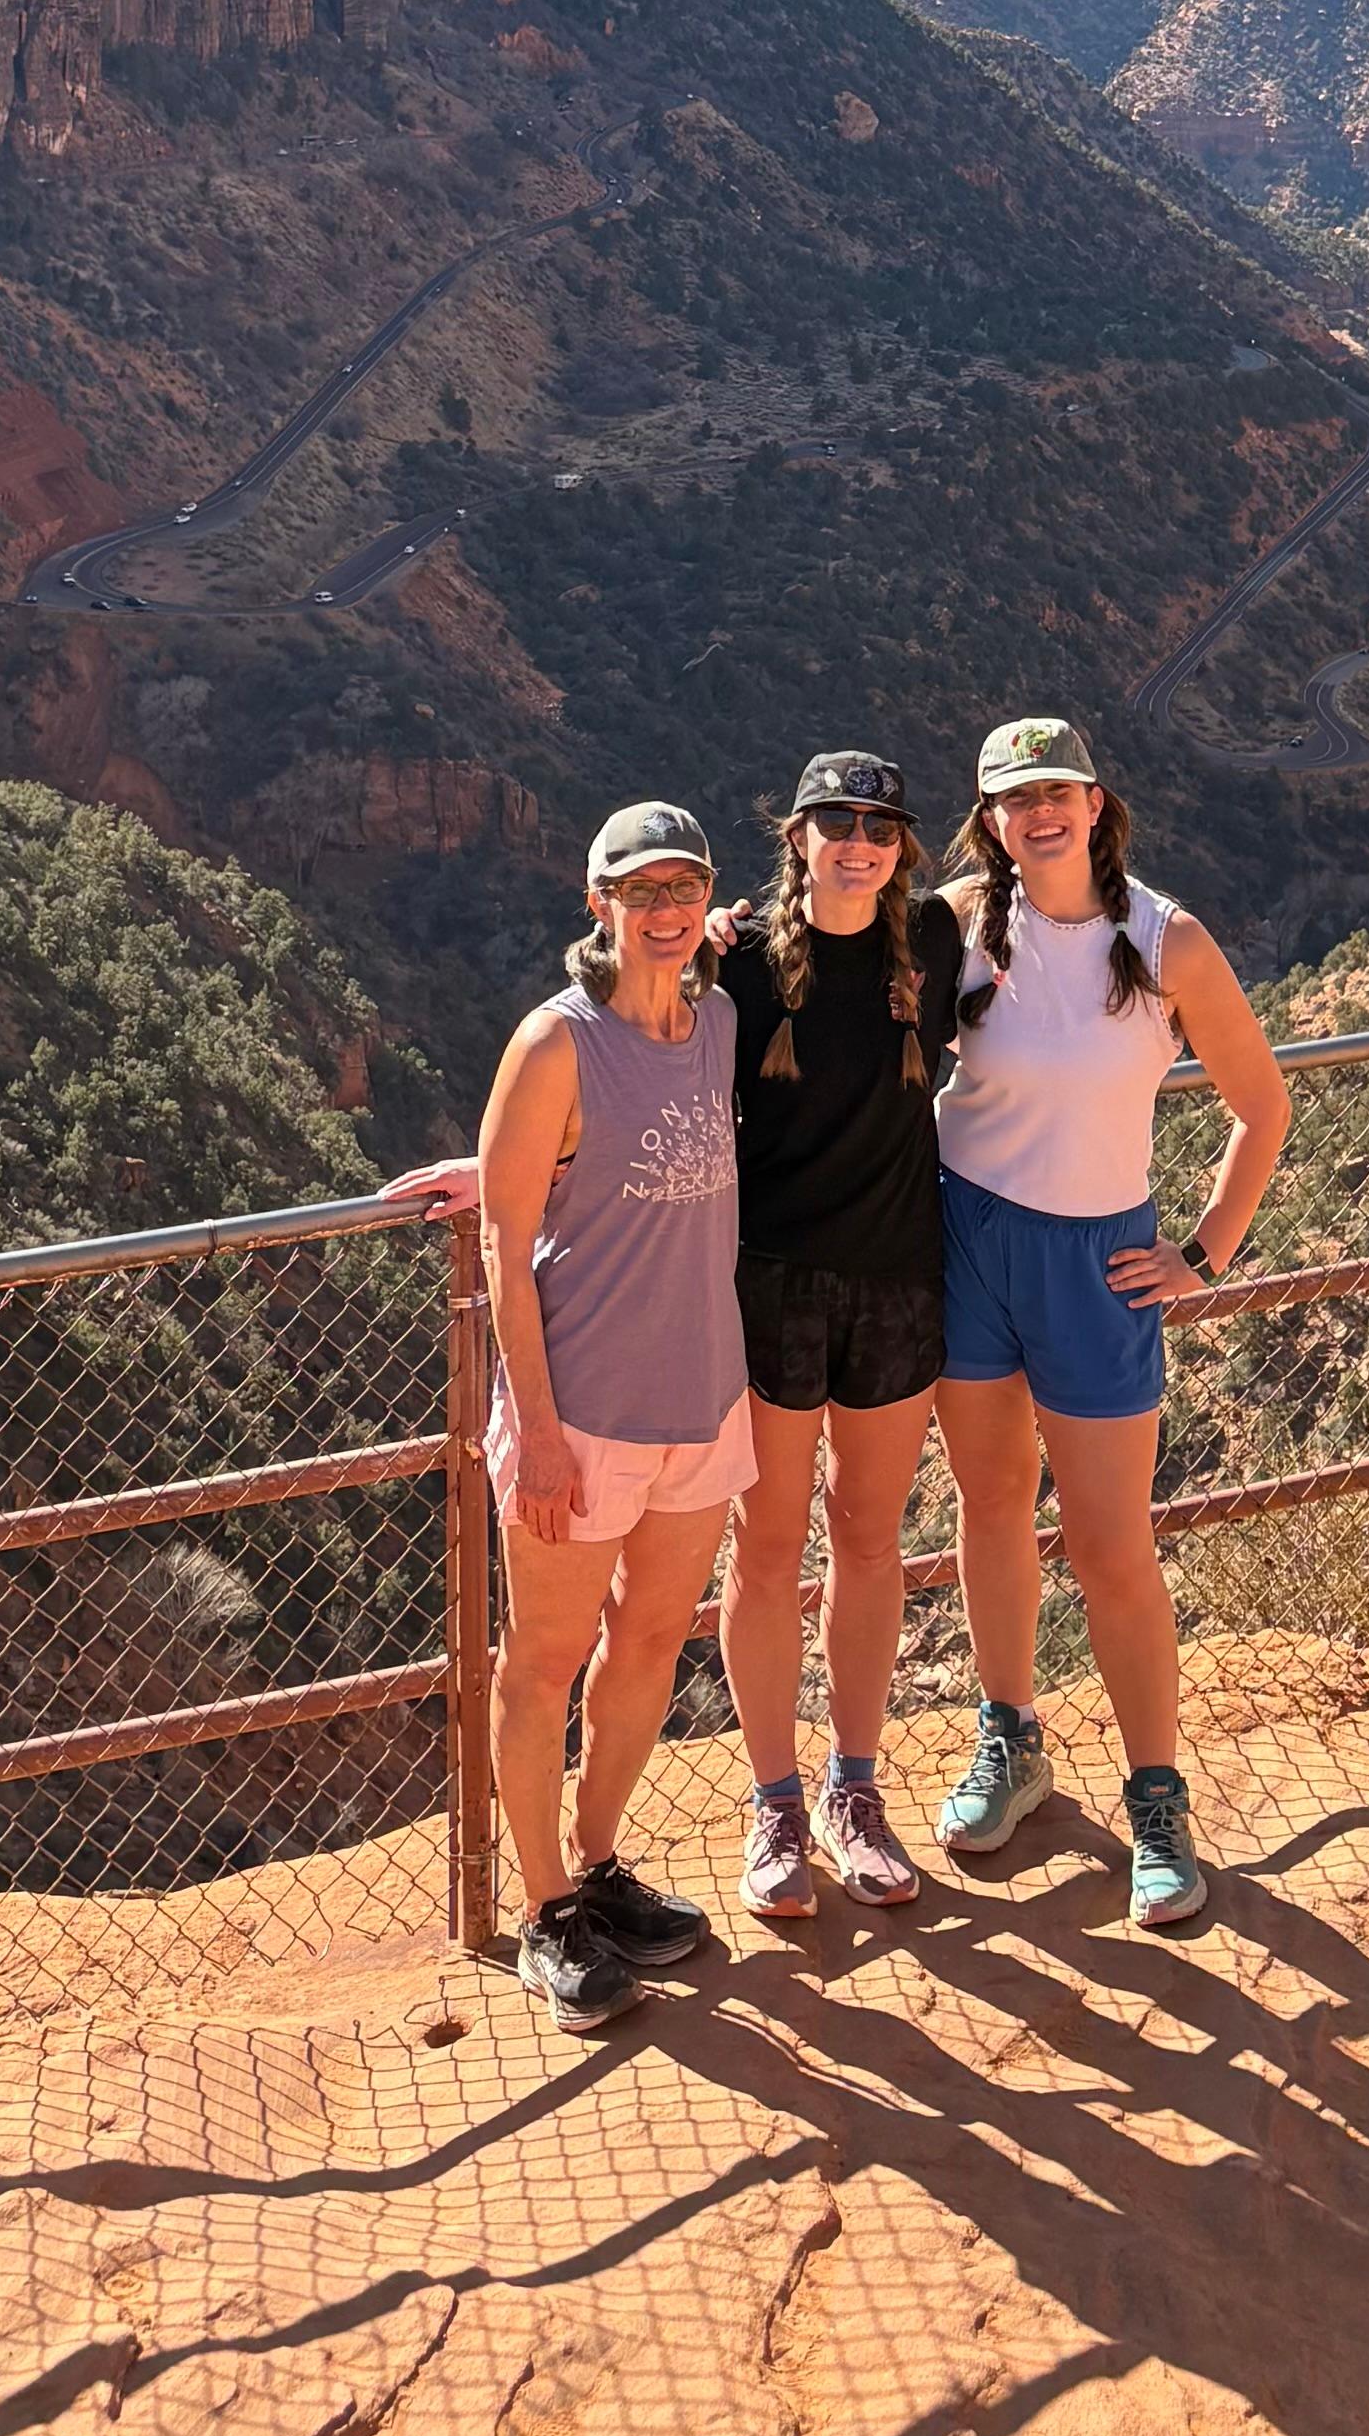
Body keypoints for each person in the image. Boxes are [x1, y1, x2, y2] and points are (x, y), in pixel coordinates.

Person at [930, 713, 1291, 1931]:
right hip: (967, 1237)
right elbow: (806, 990)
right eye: (1014, 799)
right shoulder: (959, 923)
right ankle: (1012, 1740)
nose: (1039, 814)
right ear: (990, 818)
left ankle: (1155, 1798)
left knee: (1110, 1546)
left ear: (1095, 804)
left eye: (1059, 793)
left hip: (1099, 1261)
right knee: (990, 1506)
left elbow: (1262, 1105)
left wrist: (1200, 1254)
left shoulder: (1164, 939)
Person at [474, 799, 753, 2029]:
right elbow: (503, 1227)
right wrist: (533, 1425)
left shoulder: (720, 1021)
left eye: (684, 889)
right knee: (543, 1660)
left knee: (648, 1642)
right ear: (598, 903)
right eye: (640, 892)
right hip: (580, 1413)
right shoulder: (556, 1044)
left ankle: (596, 1864)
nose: (665, 909)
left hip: (704, 1395)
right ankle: (544, 1913)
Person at [714, 748, 960, 1931]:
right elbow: (638, 1054)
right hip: (772, 1288)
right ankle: (775, 1807)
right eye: (836, 821)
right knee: (766, 1551)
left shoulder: (940, 950)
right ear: (799, 834)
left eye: (880, 824)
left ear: (903, 845)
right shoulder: (744, 964)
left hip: (901, 1282)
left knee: (870, 1544)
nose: (858, 840)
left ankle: (854, 1789)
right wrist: (506, 1161)